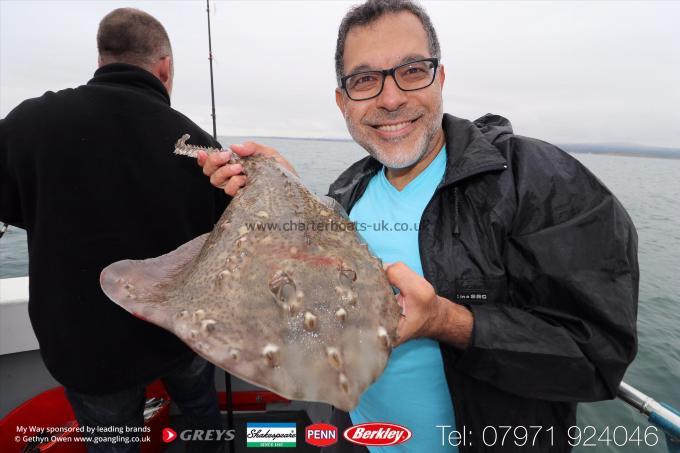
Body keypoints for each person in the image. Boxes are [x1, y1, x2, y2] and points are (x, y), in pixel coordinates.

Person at [198, 1, 638, 452]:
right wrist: (283, 188)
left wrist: (448, 322)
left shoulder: (537, 180)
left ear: (440, 78)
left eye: (411, 71)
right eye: (364, 80)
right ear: (342, 101)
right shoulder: (347, 191)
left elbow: (600, 356)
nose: (391, 99)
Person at [0, 8, 227, 453]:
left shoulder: (29, 123)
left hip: (87, 347)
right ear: (164, 67)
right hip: (181, 331)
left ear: (103, 58)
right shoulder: (201, 145)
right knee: (201, 416)